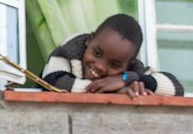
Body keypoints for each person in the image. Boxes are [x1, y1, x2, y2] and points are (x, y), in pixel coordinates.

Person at [41, 13, 184, 97]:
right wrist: (115, 91)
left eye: (114, 65)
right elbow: (51, 83)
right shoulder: (70, 49)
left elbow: (176, 88)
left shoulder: (130, 70)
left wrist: (125, 78)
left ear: (129, 64)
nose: (101, 66)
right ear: (89, 40)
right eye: (97, 53)